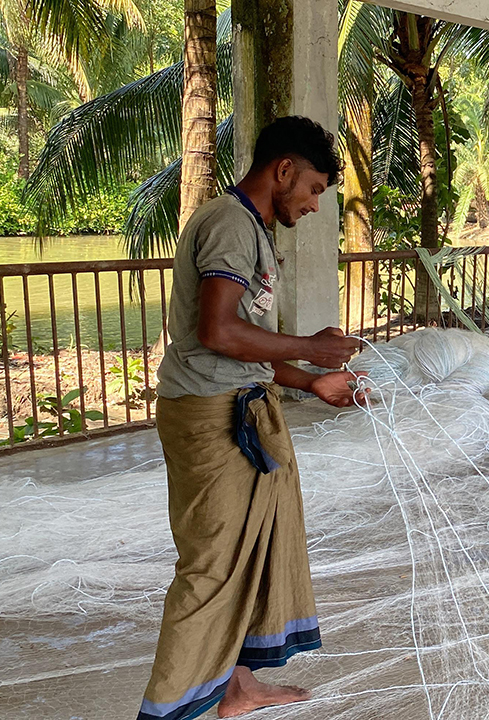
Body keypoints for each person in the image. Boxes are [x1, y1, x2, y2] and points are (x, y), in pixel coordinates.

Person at [138, 116, 365, 720]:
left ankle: (234, 689)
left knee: (250, 554)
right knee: (212, 567)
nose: (316, 205)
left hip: (237, 407)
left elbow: (248, 348)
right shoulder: (230, 225)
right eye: (314, 189)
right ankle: (165, 712)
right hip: (209, 419)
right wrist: (309, 349)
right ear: (283, 169)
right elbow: (217, 332)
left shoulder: (255, 230)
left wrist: (313, 380)